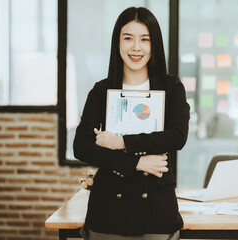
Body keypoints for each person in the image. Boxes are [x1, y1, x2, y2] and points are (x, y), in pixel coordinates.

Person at [73, 6, 190, 240]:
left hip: (157, 210)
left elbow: (177, 136)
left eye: (144, 39)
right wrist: (137, 163)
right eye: (128, 38)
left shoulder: (171, 87)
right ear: (117, 43)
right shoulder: (101, 91)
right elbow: (82, 146)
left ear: (153, 45)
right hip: (108, 210)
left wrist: (120, 142)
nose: (136, 47)